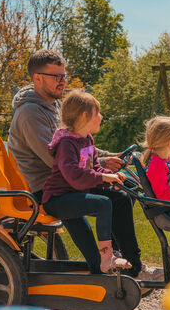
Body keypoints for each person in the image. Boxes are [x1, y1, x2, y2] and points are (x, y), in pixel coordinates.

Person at [8, 49, 161, 280]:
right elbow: (57, 160)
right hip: (49, 187)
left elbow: (79, 146)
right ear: (37, 78)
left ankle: (127, 263)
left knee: (124, 192)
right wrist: (101, 167)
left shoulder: (55, 106)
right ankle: (124, 265)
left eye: (64, 76)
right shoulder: (30, 113)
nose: (62, 81)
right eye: (56, 77)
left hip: (68, 180)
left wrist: (110, 157)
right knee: (111, 200)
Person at [42, 90, 133, 273]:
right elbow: (74, 174)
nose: (101, 116)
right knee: (103, 203)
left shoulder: (87, 139)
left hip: (75, 194)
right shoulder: (67, 143)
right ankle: (107, 256)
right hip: (58, 198)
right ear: (85, 115)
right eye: (97, 113)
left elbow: (94, 168)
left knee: (124, 194)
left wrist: (110, 176)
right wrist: (103, 177)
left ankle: (111, 258)